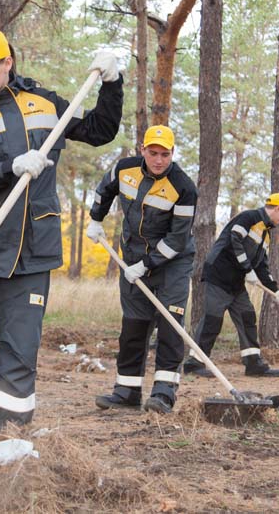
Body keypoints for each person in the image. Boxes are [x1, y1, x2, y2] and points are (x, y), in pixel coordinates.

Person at [0, 25, 123, 431]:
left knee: (19, 348)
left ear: (7, 63)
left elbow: (99, 131)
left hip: (32, 249)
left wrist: (113, 83)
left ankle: (5, 433)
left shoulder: (46, 103)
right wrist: (7, 168)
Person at [87, 125, 197, 414]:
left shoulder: (184, 188)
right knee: (134, 323)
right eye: (153, 153)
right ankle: (127, 391)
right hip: (133, 255)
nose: (158, 160)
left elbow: (178, 239)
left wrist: (146, 265)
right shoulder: (124, 169)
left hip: (173, 262)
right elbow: (104, 190)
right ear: (142, 150)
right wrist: (95, 219)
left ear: (173, 153)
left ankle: (163, 393)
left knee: (170, 322)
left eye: (164, 154)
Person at [182, 194, 279, 378]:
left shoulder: (265, 233)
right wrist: (247, 269)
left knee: (247, 316)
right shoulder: (249, 218)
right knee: (213, 319)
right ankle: (194, 363)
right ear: (277, 209)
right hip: (219, 274)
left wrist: (275, 290)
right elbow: (234, 240)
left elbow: (261, 266)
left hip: (236, 281)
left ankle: (253, 363)